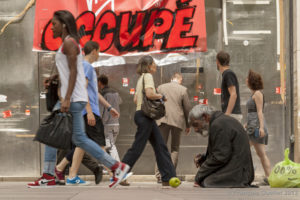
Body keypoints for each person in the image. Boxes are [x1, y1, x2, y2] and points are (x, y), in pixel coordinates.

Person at [28, 10, 129, 188]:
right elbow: (68, 68)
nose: (51, 27)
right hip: (75, 98)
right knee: (80, 140)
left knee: (51, 136)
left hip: (71, 98)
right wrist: (53, 79)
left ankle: (49, 175)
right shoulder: (68, 43)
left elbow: (75, 71)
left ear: (64, 25)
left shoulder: (69, 43)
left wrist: (66, 98)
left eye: (54, 24)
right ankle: (117, 167)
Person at [54, 41, 120, 185]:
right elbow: (82, 90)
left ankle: (64, 170)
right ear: (94, 51)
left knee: (82, 144)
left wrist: (109, 107)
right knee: (100, 144)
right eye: (99, 51)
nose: (99, 55)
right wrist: (89, 111)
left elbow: (94, 91)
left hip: (84, 110)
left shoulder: (82, 66)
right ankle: (115, 172)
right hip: (88, 111)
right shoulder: (87, 67)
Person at [121, 55, 176, 186]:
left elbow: (135, 100)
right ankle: (120, 173)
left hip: (142, 115)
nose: (156, 66)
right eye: (154, 64)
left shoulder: (141, 78)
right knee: (138, 147)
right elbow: (150, 94)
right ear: (149, 65)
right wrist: (161, 96)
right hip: (145, 116)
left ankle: (168, 178)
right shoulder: (148, 76)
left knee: (160, 146)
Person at [189, 105, 254, 188]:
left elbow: (221, 156)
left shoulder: (218, 124)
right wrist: (204, 159)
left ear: (205, 117)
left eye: (196, 124)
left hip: (240, 173)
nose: (196, 129)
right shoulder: (220, 121)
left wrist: (199, 176)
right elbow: (221, 151)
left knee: (207, 181)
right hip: (239, 168)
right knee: (206, 179)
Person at [154, 73, 191, 183]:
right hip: (177, 121)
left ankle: (159, 175)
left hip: (162, 120)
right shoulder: (183, 90)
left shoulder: (161, 87)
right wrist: (188, 125)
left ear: (171, 79)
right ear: (180, 80)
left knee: (161, 147)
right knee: (174, 148)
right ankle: (170, 174)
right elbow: (187, 108)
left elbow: (156, 104)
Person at [245, 69, 271, 185]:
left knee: (258, 153)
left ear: (251, 81)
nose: (246, 80)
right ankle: (268, 177)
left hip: (256, 128)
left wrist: (261, 128)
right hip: (252, 126)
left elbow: (260, 112)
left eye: (247, 78)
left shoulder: (258, 94)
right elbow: (252, 112)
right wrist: (247, 123)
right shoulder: (254, 94)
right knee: (259, 153)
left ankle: (268, 177)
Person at [216, 51, 242, 122]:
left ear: (217, 61)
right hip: (232, 114)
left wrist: (227, 114)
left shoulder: (228, 74)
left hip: (232, 114)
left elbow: (233, 94)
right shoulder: (226, 74)